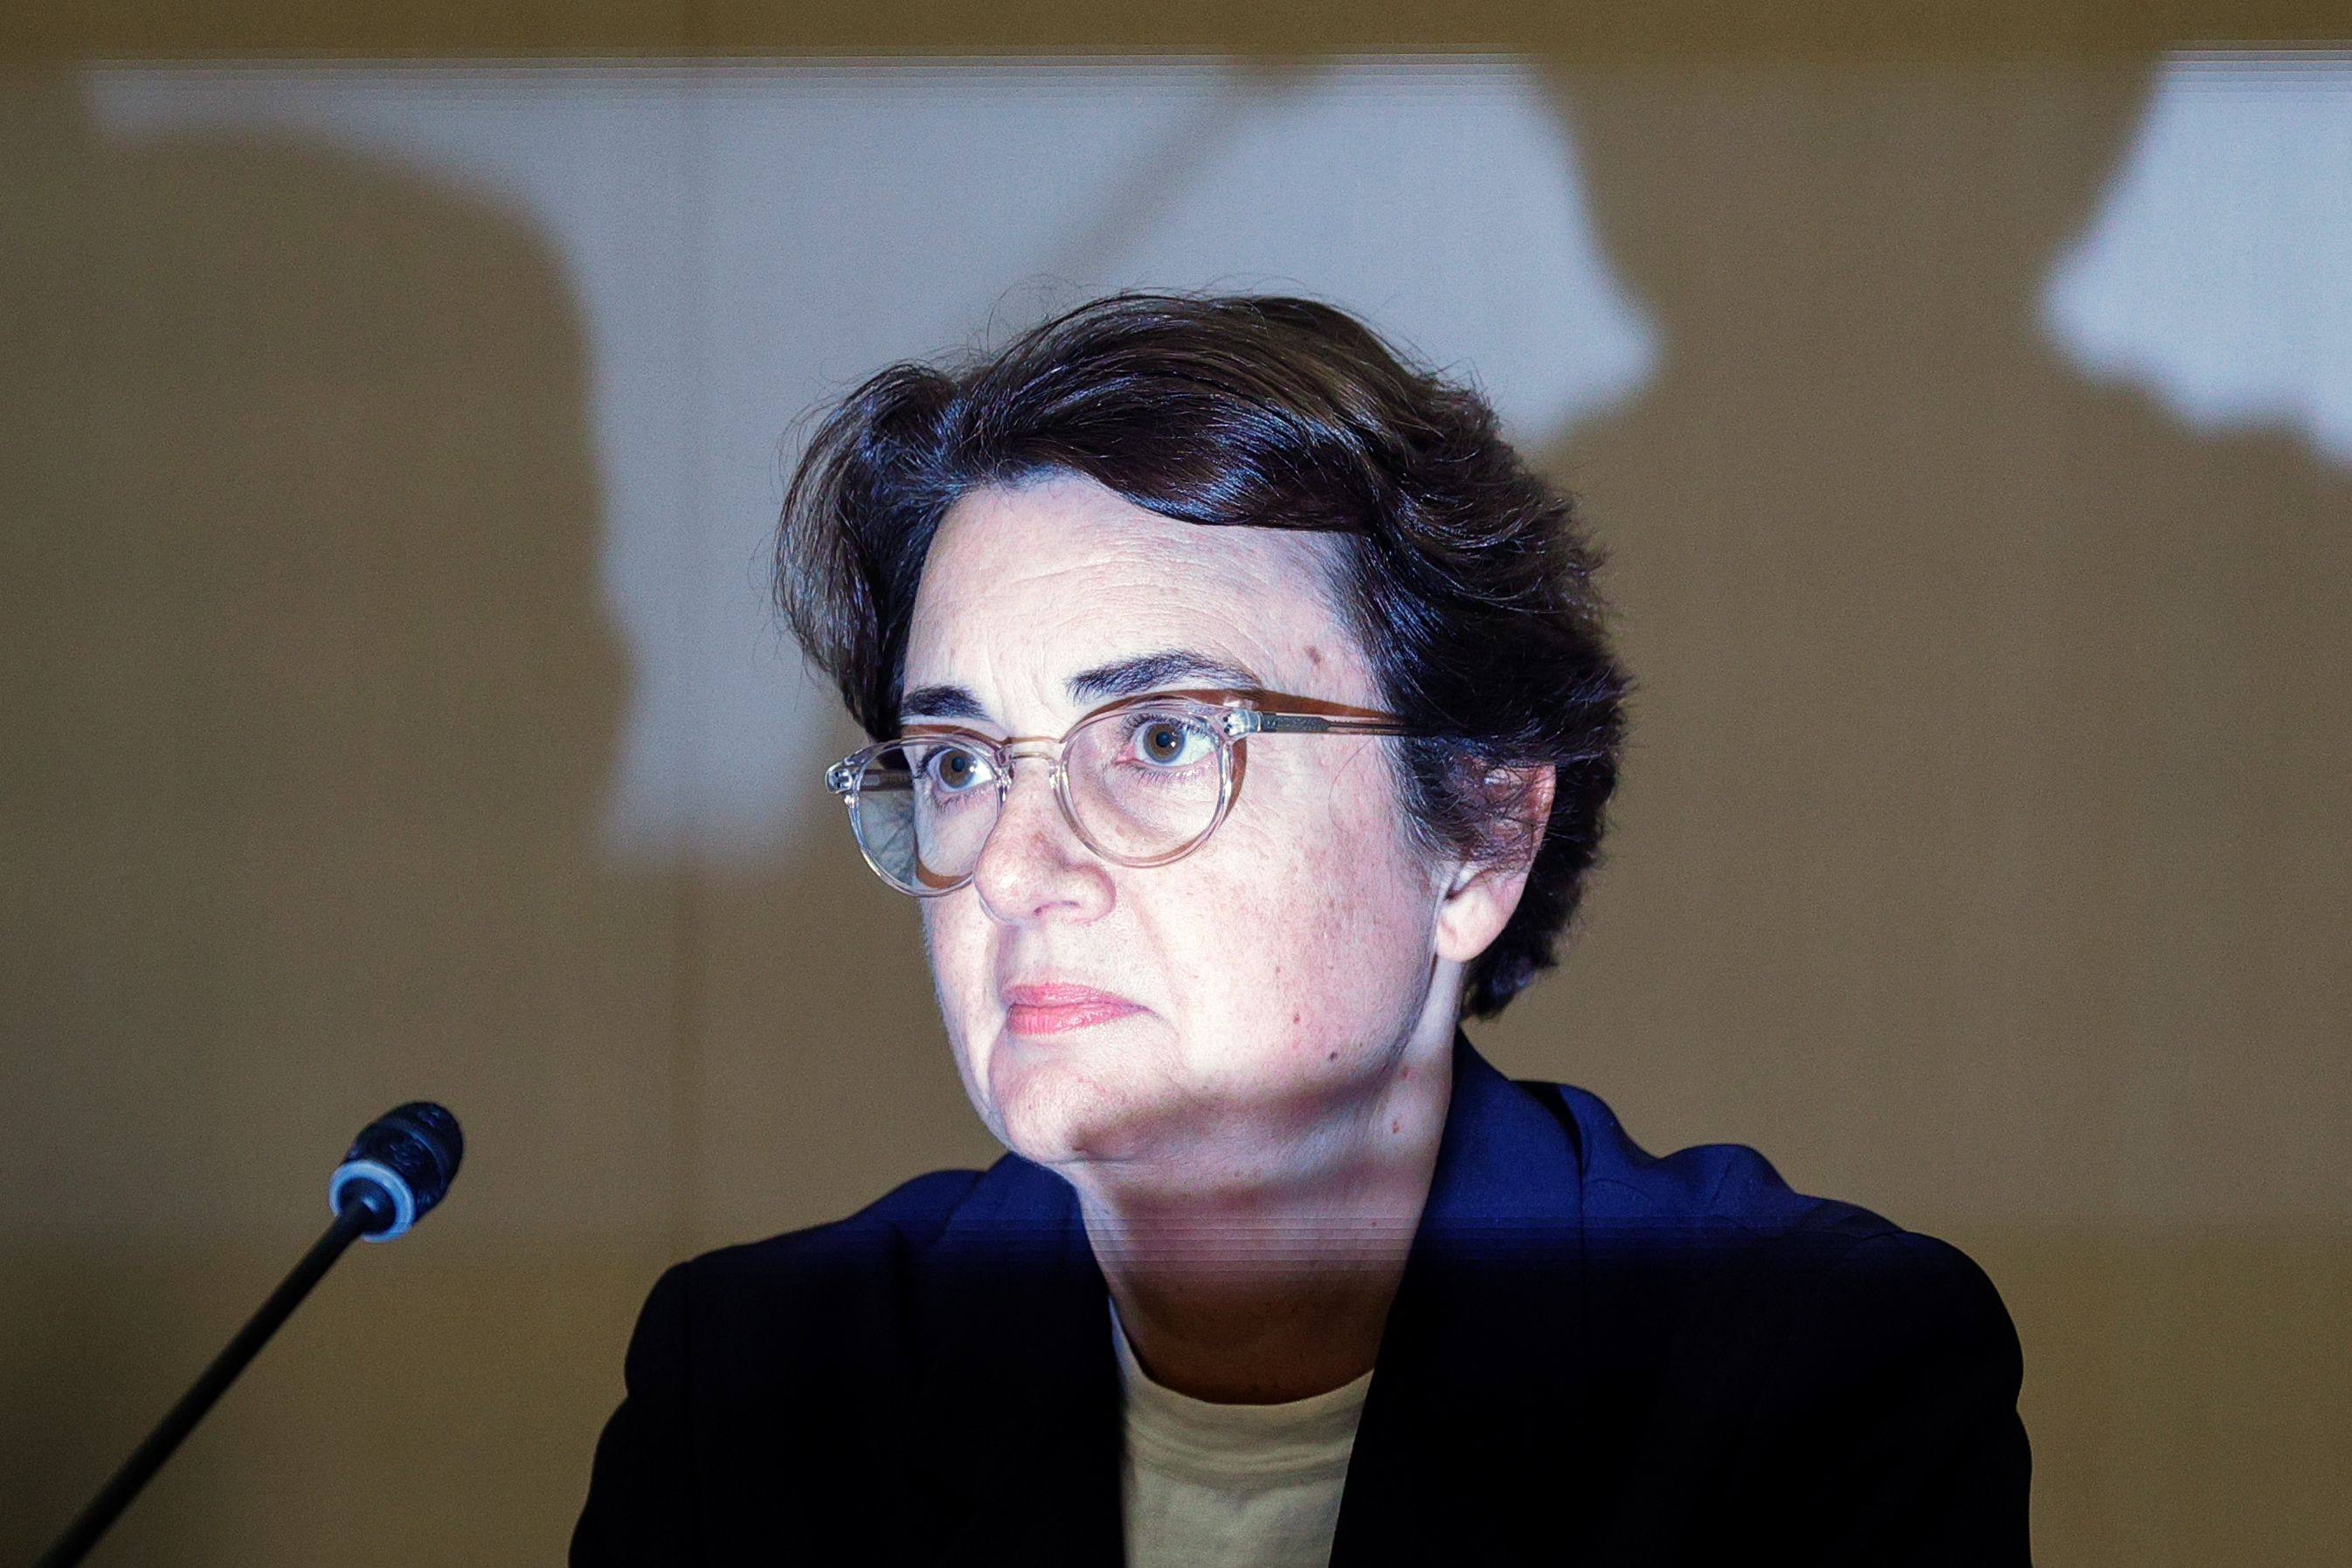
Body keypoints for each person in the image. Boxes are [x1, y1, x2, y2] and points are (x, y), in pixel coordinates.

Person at [571, 293, 2031, 1565]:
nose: (1015, 869)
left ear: (1479, 835)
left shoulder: (1810, 1379)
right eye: (958, 762)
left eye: (1155, 741)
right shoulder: (755, 1399)